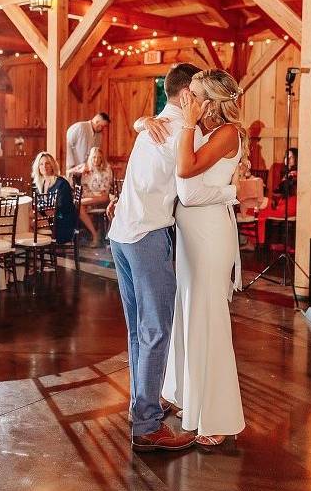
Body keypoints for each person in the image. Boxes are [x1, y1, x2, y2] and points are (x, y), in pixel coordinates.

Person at [106, 63, 235, 452]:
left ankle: (142, 407)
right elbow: (191, 188)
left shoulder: (155, 126)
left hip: (121, 236)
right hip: (146, 237)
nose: (202, 101)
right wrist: (231, 193)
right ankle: (147, 426)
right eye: (197, 93)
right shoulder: (182, 131)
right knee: (157, 330)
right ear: (185, 97)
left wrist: (140, 123)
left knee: (139, 331)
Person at [159, 68, 247, 448]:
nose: (185, 100)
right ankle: (187, 398)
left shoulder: (227, 133)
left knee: (208, 319)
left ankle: (219, 416)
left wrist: (188, 127)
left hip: (210, 236)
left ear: (209, 100)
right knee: (187, 315)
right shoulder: (202, 130)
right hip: (190, 236)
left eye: (193, 94)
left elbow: (186, 175)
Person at [66, 146, 112, 247]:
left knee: (78, 203)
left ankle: (94, 235)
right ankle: (95, 234)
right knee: (79, 206)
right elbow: (68, 175)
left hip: (102, 197)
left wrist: (90, 195)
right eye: (93, 157)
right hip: (88, 199)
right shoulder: (86, 169)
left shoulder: (106, 169)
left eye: (98, 157)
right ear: (90, 158)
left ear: (101, 158)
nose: (96, 160)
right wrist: (79, 170)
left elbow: (104, 191)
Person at [254, 148, 297, 244]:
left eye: (291, 157)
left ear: (296, 159)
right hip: (282, 203)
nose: (288, 159)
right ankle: (259, 242)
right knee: (260, 209)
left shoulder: (294, 174)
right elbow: (277, 192)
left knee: (259, 206)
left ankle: (259, 242)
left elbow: (284, 191)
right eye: (286, 156)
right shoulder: (286, 173)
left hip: (291, 205)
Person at [32, 152, 77, 245]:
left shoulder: (61, 183)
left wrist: (41, 213)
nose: (44, 166)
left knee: (31, 223)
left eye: (47, 163)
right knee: (27, 218)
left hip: (62, 221)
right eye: (41, 164)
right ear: (38, 167)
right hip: (50, 218)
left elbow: (62, 209)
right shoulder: (40, 184)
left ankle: (36, 250)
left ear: (52, 165)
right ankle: (37, 249)